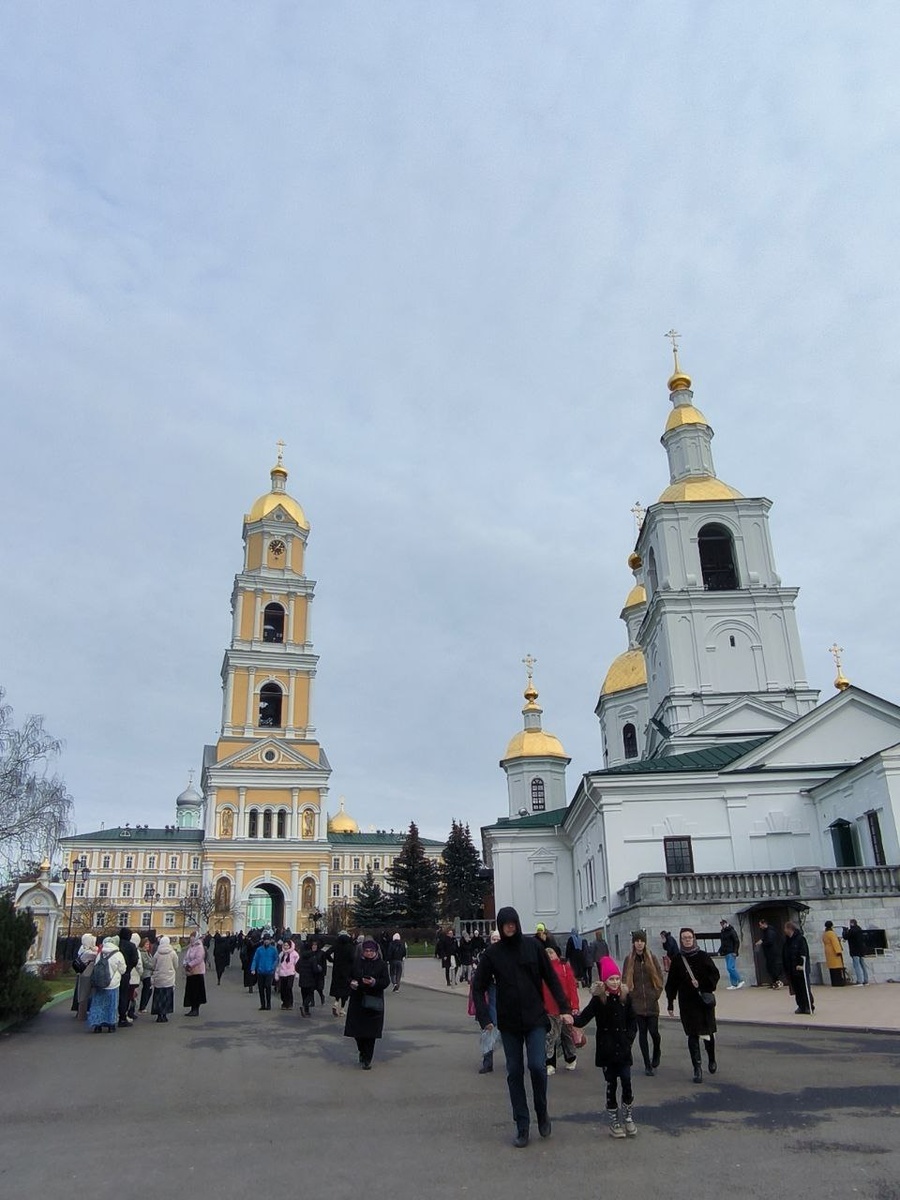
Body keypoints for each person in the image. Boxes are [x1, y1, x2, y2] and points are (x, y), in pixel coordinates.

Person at [471, 905, 574, 1149]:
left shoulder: (533, 947)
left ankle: (542, 1111)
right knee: (514, 1072)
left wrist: (565, 1008)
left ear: (517, 923)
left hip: (535, 1019)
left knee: (538, 1066)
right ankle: (522, 1125)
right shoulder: (492, 954)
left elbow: (551, 977)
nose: (509, 927)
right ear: (500, 925)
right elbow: (478, 986)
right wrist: (485, 1018)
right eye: (505, 924)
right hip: (509, 1023)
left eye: (512, 923)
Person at [574, 956, 639, 1138]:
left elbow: (633, 1021)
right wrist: (571, 1018)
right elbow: (583, 1018)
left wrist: (629, 1038)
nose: (615, 982)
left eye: (617, 978)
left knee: (627, 1082)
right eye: (611, 979)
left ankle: (628, 1117)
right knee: (611, 1084)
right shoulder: (599, 1000)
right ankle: (614, 1121)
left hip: (624, 1049)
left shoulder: (626, 998)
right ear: (604, 980)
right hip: (607, 1050)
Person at [665, 928, 720, 1083]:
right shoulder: (677, 959)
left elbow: (715, 975)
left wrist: (702, 984)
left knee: (708, 1033)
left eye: (690, 937)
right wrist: (670, 1002)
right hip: (687, 1003)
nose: (687, 940)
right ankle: (697, 1068)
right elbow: (671, 984)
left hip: (704, 1001)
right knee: (692, 1034)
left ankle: (711, 1058)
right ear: (681, 940)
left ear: (694, 939)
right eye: (684, 938)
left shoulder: (703, 956)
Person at [344, 938, 390, 1069]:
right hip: (358, 1000)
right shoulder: (357, 963)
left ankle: (367, 1059)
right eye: (366, 951)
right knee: (357, 1032)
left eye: (371, 951)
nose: (368, 953)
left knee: (370, 1033)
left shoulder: (381, 964)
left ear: (376, 952)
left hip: (373, 1001)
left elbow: (385, 982)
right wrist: (352, 982)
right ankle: (361, 1050)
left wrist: (374, 982)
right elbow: (348, 975)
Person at [622, 931, 663, 1076]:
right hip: (637, 1004)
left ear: (645, 942)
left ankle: (657, 1050)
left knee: (654, 1032)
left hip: (651, 1003)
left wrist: (656, 994)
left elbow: (659, 977)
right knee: (642, 1033)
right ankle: (647, 1064)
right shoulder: (629, 959)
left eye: (642, 941)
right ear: (633, 943)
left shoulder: (651, 958)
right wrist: (630, 997)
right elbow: (624, 980)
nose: (639, 943)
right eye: (637, 941)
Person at [543, 945, 580, 1073]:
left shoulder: (564, 967)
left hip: (564, 1009)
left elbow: (572, 987)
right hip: (548, 1009)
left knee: (566, 1035)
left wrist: (575, 1006)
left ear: (557, 954)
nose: (549, 955)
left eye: (551, 953)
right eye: (546, 954)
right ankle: (550, 1063)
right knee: (550, 1037)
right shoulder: (541, 969)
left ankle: (571, 1058)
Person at [469, 929, 501, 1073]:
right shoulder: (485, 955)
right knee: (488, 1030)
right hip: (489, 997)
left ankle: (514, 1062)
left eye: (498, 939)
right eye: (494, 939)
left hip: (505, 998)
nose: (496, 941)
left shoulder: (507, 955)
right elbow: (478, 979)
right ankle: (487, 1062)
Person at [87, 935, 127, 1033]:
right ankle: (111, 1025)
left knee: (98, 1004)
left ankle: (97, 1025)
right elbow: (123, 970)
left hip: (100, 983)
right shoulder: (118, 954)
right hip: (112, 983)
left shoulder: (100, 954)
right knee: (111, 1004)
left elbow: (96, 966)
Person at [782, 922, 814, 1015]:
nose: (784, 931)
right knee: (797, 989)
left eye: (785, 928)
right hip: (791, 969)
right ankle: (801, 1006)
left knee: (804, 988)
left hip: (800, 969)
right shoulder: (787, 941)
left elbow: (804, 953)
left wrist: (801, 964)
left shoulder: (800, 939)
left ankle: (809, 1006)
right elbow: (785, 954)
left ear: (789, 929)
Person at [324, 930, 356, 1016]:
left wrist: (332, 960)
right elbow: (353, 959)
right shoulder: (350, 947)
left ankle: (336, 1002)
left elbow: (326, 953)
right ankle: (342, 1009)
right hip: (347, 971)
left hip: (337, 970)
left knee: (338, 988)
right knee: (346, 990)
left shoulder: (336, 945)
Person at [150, 934, 178, 1022]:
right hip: (169, 978)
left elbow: (153, 965)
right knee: (167, 996)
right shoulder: (172, 953)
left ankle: (158, 1015)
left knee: (158, 996)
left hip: (159, 978)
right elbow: (176, 965)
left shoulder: (157, 954)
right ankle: (164, 1014)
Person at [117, 926, 139, 1027]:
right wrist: (129, 968)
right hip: (126, 973)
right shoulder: (131, 946)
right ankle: (122, 1017)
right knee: (124, 995)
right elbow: (135, 960)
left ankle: (113, 1015)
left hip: (114, 973)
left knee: (114, 994)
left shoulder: (117, 943)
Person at [183, 931, 208, 1016]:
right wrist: (185, 963)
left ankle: (196, 1009)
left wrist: (190, 965)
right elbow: (187, 956)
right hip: (190, 972)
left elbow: (199, 958)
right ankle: (192, 1008)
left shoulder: (199, 947)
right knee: (191, 991)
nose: (191, 938)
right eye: (191, 937)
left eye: (193, 936)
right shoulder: (192, 946)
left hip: (197, 972)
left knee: (196, 992)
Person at [250, 933, 278, 1010]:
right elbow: (255, 959)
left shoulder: (273, 949)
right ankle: (263, 1004)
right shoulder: (259, 950)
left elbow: (276, 959)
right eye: (265, 940)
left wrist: (273, 967)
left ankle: (268, 1004)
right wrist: (253, 968)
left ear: (270, 940)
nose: (266, 941)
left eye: (268, 940)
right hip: (260, 971)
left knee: (268, 986)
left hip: (269, 972)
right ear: (263, 940)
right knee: (261, 988)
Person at [74, 933, 98, 1023]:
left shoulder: (82, 949)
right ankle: (82, 1014)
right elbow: (97, 954)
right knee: (84, 994)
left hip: (83, 973)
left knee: (82, 993)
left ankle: (80, 1013)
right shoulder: (88, 952)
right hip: (87, 974)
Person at [754, 919, 784, 988]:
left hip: (772, 953)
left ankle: (777, 982)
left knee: (773, 968)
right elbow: (766, 939)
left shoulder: (770, 931)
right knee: (770, 968)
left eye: (760, 925)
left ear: (764, 924)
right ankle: (775, 983)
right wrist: (762, 940)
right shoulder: (766, 931)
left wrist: (762, 943)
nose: (760, 927)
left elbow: (770, 941)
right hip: (770, 953)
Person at [718, 919, 744, 989]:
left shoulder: (731, 931)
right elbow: (723, 943)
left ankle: (740, 980)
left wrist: (735, 951)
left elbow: (736, 941)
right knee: (730, 968)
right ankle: (734, 984)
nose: (722, 926)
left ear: (726, 923)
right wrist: (720, 950)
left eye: (723, 924)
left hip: (731, 952)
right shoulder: (723, 932)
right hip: (726, 952)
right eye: (721, 924)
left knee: (730, 968)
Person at [843, 919, 869, 985]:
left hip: (855, 950)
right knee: (863, 966)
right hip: (861, 950)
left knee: (857, 966)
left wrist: (845, 931)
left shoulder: (852, 930)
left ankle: (859, 981)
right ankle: (866, 980)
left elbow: (845, 937)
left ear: (852, 923)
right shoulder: (860, 929)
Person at [296, 941, 319, 1016]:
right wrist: (319, 969)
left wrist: (301, 972)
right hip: (310, 979)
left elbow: (296, 967)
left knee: (304, 994)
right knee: (310, 994)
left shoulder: (301, 958)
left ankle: (306, 1010)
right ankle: (304, 1006)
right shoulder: (313, 958)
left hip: (302, 979)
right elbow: (315, 970)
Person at [275, 937, 299, 1009]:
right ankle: (284, 1003)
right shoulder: (281, 954)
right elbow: (279, 964)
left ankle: (290, 1003)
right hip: (282, 973)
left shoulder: (295, 954)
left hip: (290, 973)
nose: (286, 947)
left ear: (290, 946)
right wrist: (277, 974)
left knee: (289, 987)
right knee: (282, 989)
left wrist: (297, 973)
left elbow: (297, 964)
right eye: (284, 945)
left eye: (287, 945)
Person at [822, 921, 846, 987]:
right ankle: (838, 982)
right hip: (833, 951)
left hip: (828, 951)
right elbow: (835, 943)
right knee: (837, 968)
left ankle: (834, 982)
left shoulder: (825, 933)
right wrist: (838, 951)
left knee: (832, 969)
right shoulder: (832, 933)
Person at [137, 936, 154, 1014]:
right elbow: (146, 963)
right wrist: (154, 966)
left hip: (148, 973)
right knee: (147, 990)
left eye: (148, 944)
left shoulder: (147, 952)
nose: (148, 946)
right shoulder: (142, 953)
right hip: (145, 974)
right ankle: (142, 1007)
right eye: (146, 944)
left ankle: (143, 1006)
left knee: (149, 990)